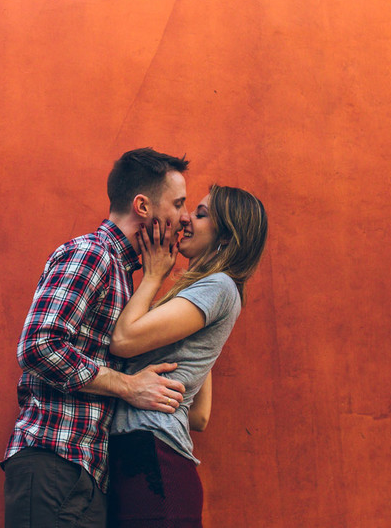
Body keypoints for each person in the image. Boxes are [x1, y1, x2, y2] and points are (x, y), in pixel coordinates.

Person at [3, 148, 194, 528]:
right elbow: (40, 344)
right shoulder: (93, 254)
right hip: (54, 461)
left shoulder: (123, 274)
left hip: (82, 475)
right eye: (178, 204)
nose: (184, 217)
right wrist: (129, 386)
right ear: (142, 206)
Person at [106, 184, 268, 528]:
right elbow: (200, 416)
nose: (185, 219)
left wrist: (152, 275)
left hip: (151, 460)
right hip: (150, 459)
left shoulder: (219, 286)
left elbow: (122, 339)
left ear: (226, 235)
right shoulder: (208, 293)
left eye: (201, 213)